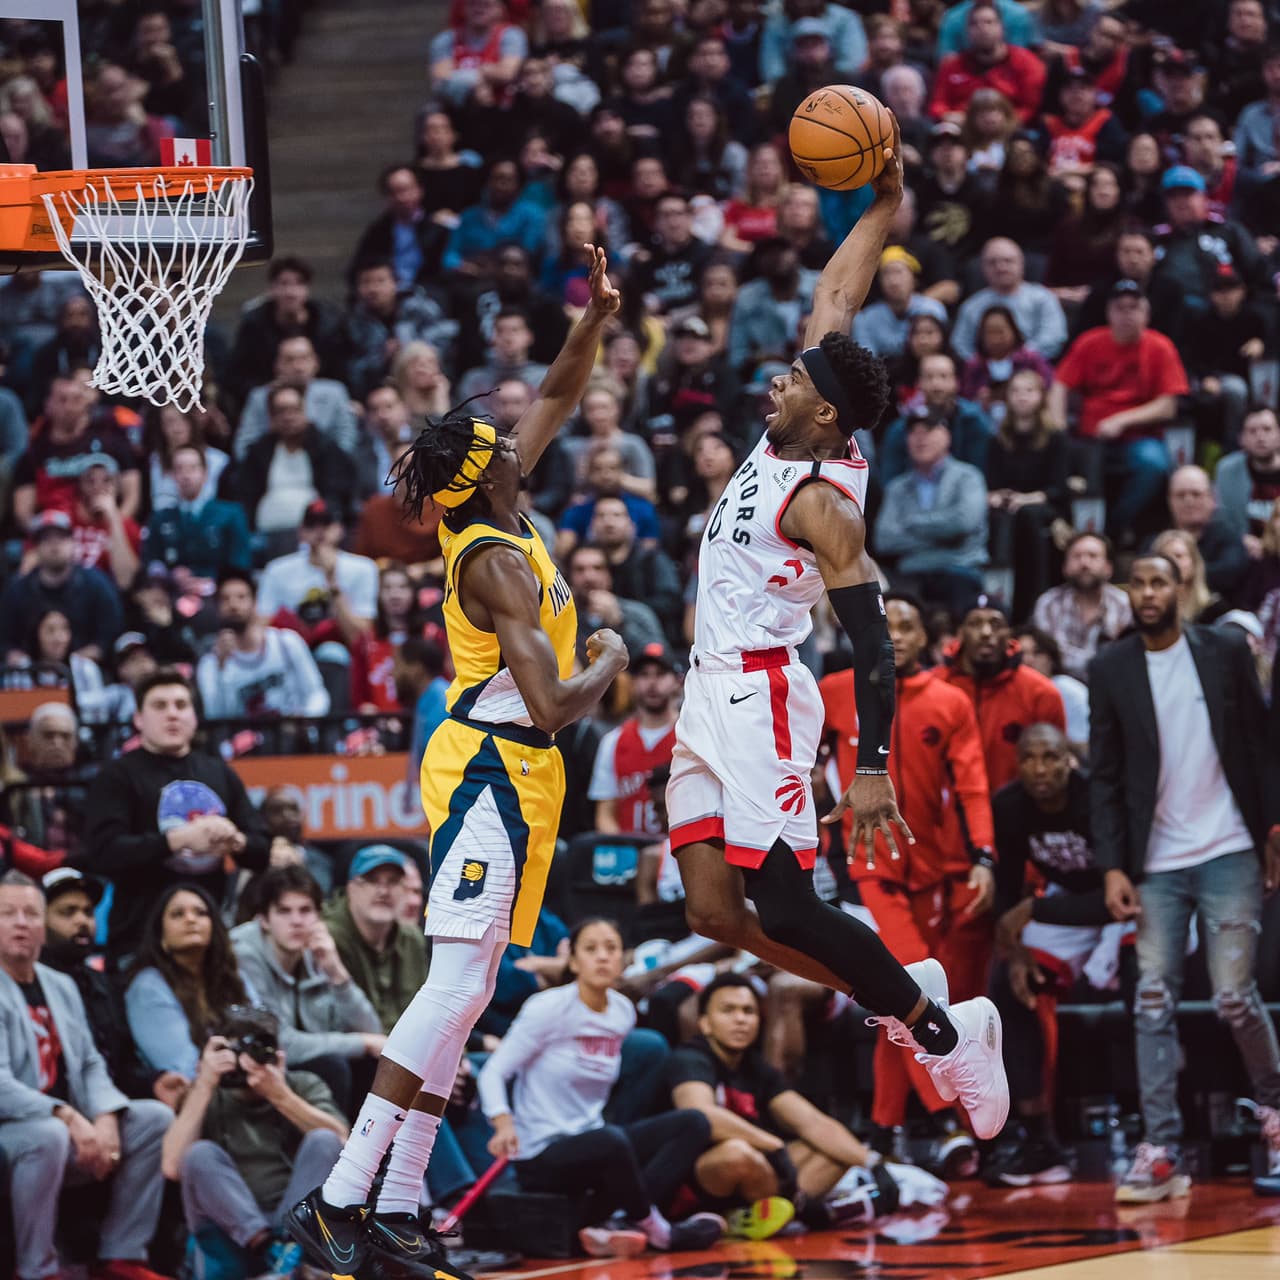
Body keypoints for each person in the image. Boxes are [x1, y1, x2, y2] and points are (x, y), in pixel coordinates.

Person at [286, 246, 632, 1280]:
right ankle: (341, 1197)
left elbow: (559, 398)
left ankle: (397, 1206)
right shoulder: (488, 559)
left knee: (469, 989)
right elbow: (556, 701)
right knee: (447, 989)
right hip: (493, 763)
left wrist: (591, 320)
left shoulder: (502, 503)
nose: (518, 433)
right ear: (485, 470)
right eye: (500, 438)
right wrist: (612, 650)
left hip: (520, 774)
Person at [661, 117, 1008, 1145]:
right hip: (705, 690)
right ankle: (908, 992)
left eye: (795, 380)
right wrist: (885, 196)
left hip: (764, 694)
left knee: (790, 908)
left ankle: (936, 1029)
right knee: (713, 916)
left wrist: (864, 767)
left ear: (826, 418)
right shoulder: (799, 420)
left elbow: (870, 642)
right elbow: (838, 292)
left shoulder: (823, 501)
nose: (777, 377)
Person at [1090, 552, 1280, 1201]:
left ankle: (1276, 1116)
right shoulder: (1110, 667)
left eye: (1158, 582)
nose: (1147, 593)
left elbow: (1260, 744)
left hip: (1230, 846)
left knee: (1233, 995)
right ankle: (1162, 1150)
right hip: (1158, 861)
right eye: (1137, 583)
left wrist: (1273, 830)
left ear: (1180, 588)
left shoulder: (1223, 649)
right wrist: (1115, 865)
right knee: (1151, 1002)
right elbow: (1107, 777)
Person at [821, 593, 994, 1166]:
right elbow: (799, 762)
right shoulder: (833, 691)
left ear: (927, 636)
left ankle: (884, 1128)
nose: (896, 634)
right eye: (886, 625)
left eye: (908, 625)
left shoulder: (949, 701)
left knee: (899, 1011)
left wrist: (983, 857)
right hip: (868, 871)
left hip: (934, 872)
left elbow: (971, 784)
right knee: (915, 991)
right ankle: (948, 1125)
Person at [479, 918, 725, 1257]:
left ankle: (621, 1220)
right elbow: (493, 1071)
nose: (602, 957)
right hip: (541, 1152)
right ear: (574, 961)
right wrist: (502, 1122)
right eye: (591, 949)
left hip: (593, 1141)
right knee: (612, 1139)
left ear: (623, 960)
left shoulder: (622, 1012)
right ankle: (658, 1231)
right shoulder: (547, 1008)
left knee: (693, 1122)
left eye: (611, 949)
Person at [667, 973, 948, 1233]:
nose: (741, 1019)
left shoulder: (756, 1068)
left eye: (748, 1011)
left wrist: (875, 1164)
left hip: (759, 1172)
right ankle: (792, 1208)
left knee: (836, 1150)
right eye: (728, 1011)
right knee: (737, 1154)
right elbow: (701, 1115)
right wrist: (773, 1146)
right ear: (704, 1022)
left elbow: (813, 1123)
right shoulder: (691, 1058)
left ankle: (764, 1214)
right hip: (698, 1177)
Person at [0, 870, 171, 1280]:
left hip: (66, 1128)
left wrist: (107, 1115)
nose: (21, 922)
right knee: (48, 1135)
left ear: (42, 927)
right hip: (17, 1131)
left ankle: (122, 1254)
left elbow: (91, 1062)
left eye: (30, 913)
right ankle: (36, 1267)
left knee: (153, 1119)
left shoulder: (60, 984)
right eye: (8, 913)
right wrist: (69, 1116)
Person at [985, 724, 1117, 1186]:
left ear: (1068, 761)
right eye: (1029, 759)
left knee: (1147, 983)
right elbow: (1004, 892)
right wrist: (1015, 951)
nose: (1039, 769)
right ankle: (1041, 1138)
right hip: (1070, 908)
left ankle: (1162, 1136)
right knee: (1008, 986)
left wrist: (1036, 908)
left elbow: (1120, 895)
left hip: (1128, 906)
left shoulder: (1096, 796)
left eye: (1050, 757)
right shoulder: (1010, 805)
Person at [82, 669, 270, 961]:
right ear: (138, 719)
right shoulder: (117, 776)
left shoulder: (218, 772)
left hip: (209, 938)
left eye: (181, 705)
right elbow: (104, 852)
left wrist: (236, 840)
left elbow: (262, 849)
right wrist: (178, 839)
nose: (172, 714)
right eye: (160, 706)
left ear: (194, 717)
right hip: (140, 939)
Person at [159, 1004, 348, 1280]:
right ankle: (273, 1252)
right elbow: (172, 1166)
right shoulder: (205, 1093)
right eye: (239, 1052)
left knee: (324, 1139)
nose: (249, 1060)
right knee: (198, 1155)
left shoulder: (302, 1085)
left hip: (298, 1228)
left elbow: (343, 1142)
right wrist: (204, 1083)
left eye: (260, 1049)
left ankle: (290, 1254)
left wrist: (280, 1096)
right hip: (231, 1232)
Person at [231, 866, 385, 1117]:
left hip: (299, 1070)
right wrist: (364, 1043)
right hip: (252, 1071)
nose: (297, 921)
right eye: (284, 911)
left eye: (305, 911)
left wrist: (336, 971)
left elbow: (371, 1029)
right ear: (264, 920)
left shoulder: (315, 953)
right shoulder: (243, 955)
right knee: (333, 1066)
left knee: (377, 1066)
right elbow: (282, 1043)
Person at [1049, 279, 1187, 542]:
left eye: (1134, 308)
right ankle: (1076, 536)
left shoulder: (1160, 347)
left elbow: (1168, 405)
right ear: (1108, 313)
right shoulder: (1090, 342)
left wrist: (1122, 420)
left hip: (1139, 438)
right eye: (1120, 308)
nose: (1127, 315)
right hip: (1089, 439)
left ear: (1146, 313)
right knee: (1073, 468)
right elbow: (1058, 387)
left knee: (1154, 464)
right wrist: (1058, 430)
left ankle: (1111, 529)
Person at [39, 867, 186, 1106]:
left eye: (88, 912)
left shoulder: (102, 983)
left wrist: (153, 1082)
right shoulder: (30, 982)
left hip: (111, 1103)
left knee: (160, 1116)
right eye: (68, 912)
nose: (82, 921)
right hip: (57, 1110)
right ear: (40, 921)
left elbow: (124, 1064)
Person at [937, 598, 1066, 794]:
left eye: (995, 624)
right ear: (960, 634)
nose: (986, 632)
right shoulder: (935, 686)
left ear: (1009, 635)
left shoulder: (1041, 692)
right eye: (975, 624)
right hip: (946, 814)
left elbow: (1054, 765)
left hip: (1016, 814)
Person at [123, 885, 252, 1079]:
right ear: (160, 935)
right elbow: (182, 1068)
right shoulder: (148, 986)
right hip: (200, 1091)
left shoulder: (233, 976)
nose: (191, 920)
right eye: (177, 914)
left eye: (200, 913)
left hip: (251, 1079)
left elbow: (261, 1033)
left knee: (304, 1081)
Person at [873, 412, 989, 614]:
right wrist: (946, 538)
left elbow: (963, 523)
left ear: (947, 436)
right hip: (911, 574)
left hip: (959, 571)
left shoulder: (968, 477)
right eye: (913, 432)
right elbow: (884, 539)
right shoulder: (897, 488)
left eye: (928, 430)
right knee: (893, 604)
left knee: (959, 587)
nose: (920, 438)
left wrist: (912, 524)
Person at [196, 569, 331, 722]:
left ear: (255, 603)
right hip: (246, 741)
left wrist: (305, 718)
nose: (233, 605)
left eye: (241, 597)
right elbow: (215, 719)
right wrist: (220, 669)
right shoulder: (210, 664)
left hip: (294, 735)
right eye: (225, 599)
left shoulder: (286, 642)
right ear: (217, 608)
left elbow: (317, 695)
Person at [322, 847, 428, 1035]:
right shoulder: (327, 937)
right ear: (351, 888)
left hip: (409, 1050)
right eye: (372, 880)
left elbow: (427, 1014)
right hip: (356, 1053)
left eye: (393, 882)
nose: (383, 891)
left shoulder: (412, 939)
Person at [0, 510, 123, 666]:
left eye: (61, 537)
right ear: (35, 548)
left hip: (88, 674)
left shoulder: (97, 584)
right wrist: (21, 661)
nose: (54, 545)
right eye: (46, 539)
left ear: (73, 543)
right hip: (30, 678)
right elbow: (5, 641)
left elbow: (111, 635)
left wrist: (83, 659)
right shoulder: (17, 591)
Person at [590, 643, 681, 837]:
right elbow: (605, 814)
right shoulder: (613, 741)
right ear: (632, 682)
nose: (652, 683)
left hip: (677, 851)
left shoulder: (690, 735)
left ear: (677, 681)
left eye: (660, 674)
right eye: (644, 675)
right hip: (630, 854)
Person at [143, 444, 252, 579]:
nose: (186, 475)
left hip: (219, 591)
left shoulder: (231, 514)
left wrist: (204, 578)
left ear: (205, 474)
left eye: (192, 468)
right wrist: (170, 576)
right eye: (179, 469)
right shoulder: (160, 518)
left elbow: (240, 562)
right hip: (174, 592)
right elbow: (151, 562)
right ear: (172, 475)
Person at [950, 238, 1067, 363]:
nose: (1001, 267)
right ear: (983, 267)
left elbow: (1053, 338)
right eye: (992, 262)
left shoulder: (1043, 298)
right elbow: (960, 345)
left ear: (1021, 263)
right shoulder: (971, 306)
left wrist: (1018, 359)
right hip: (984, 374)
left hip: (1033, 370)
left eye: (1008, 261)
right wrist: (984, 365)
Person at [1165, 464, 1250, 599]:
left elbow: (1231, 572)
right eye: (1180, 495)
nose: (1189, 501)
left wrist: (1181, 573)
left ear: (1212, 498)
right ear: (1170, 500)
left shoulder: (1230, 536)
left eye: (1196, 494)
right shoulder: (1156, 541)